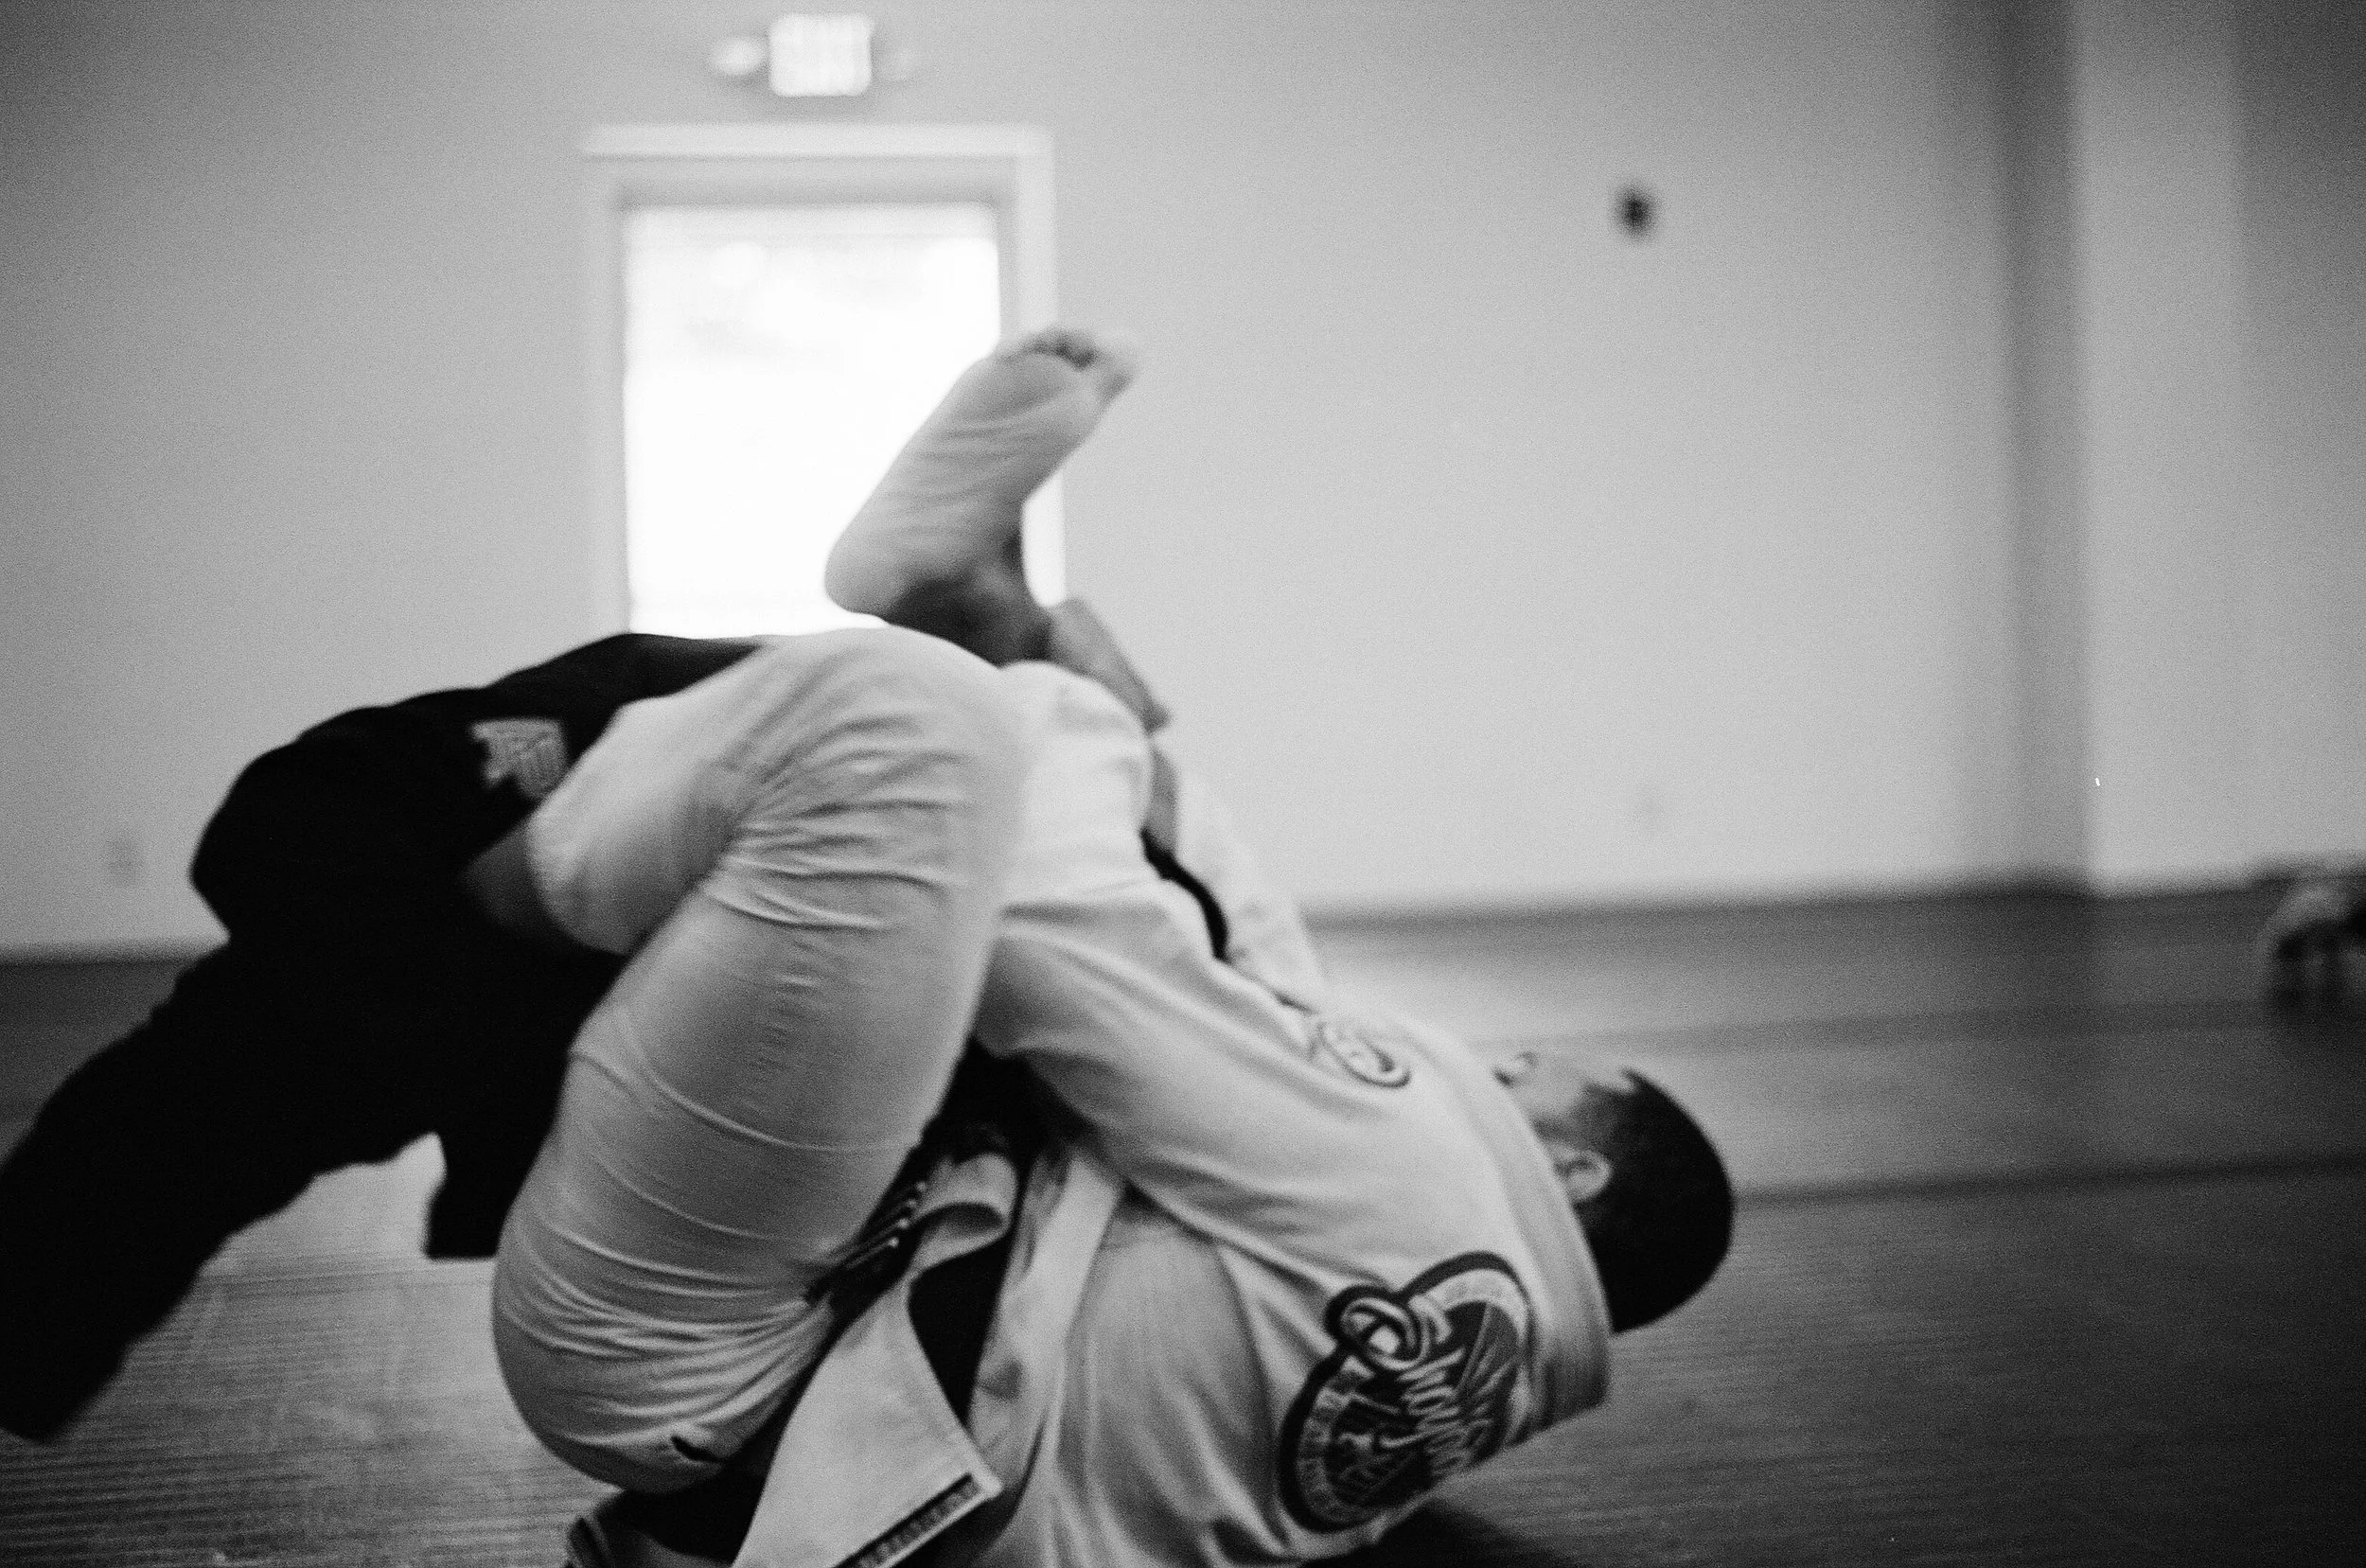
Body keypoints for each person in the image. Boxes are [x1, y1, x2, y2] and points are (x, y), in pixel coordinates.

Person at [471, 329, 1736, 1566]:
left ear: (1568, 1169)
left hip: (698, 1347)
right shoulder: (1480, 1387)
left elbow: (1049, 921)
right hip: (738, 1415)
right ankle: (988, 608)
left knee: (916, 732)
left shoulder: (1416, 1181)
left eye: (1528, 1069)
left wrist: (1081, 712)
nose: (1491, 1067)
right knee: (1255, 1000)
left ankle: (489, 880)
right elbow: (1230, 1013)